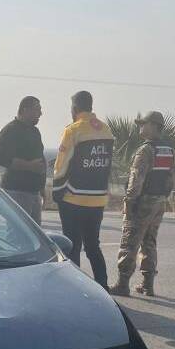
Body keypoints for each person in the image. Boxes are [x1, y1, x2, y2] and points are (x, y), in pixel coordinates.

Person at [52, 91, 113, 289]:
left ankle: (74, 289)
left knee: (72, 247)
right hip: (98, 200)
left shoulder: (73, 130)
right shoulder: (106, 130)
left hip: (74, 198)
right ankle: (103, 286)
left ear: (75, 108)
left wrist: (57, 192)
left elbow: (62, 165)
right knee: (93, 246)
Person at [109, 111, 174, 297]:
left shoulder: (145, 150)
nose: (140, 127)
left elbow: (136, 179)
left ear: (154, 126)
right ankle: (147, 284)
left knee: (130, 241)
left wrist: (129, 202)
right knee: (149, 242)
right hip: (159, 201)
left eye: (143, 124)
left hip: (143, 202)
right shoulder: (168, 150)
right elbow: (170, 179)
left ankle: (122, 284)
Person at [0, 96, 46, 224]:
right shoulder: (10, 131)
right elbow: (2, 159)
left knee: (35, 236)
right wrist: (30, 166)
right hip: (17, 191)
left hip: (34, 192)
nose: (40, 113)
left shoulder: (35, 132)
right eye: (37, 109)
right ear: (25, 110)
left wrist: (42, 188)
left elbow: (40, 158)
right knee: (18, 234)